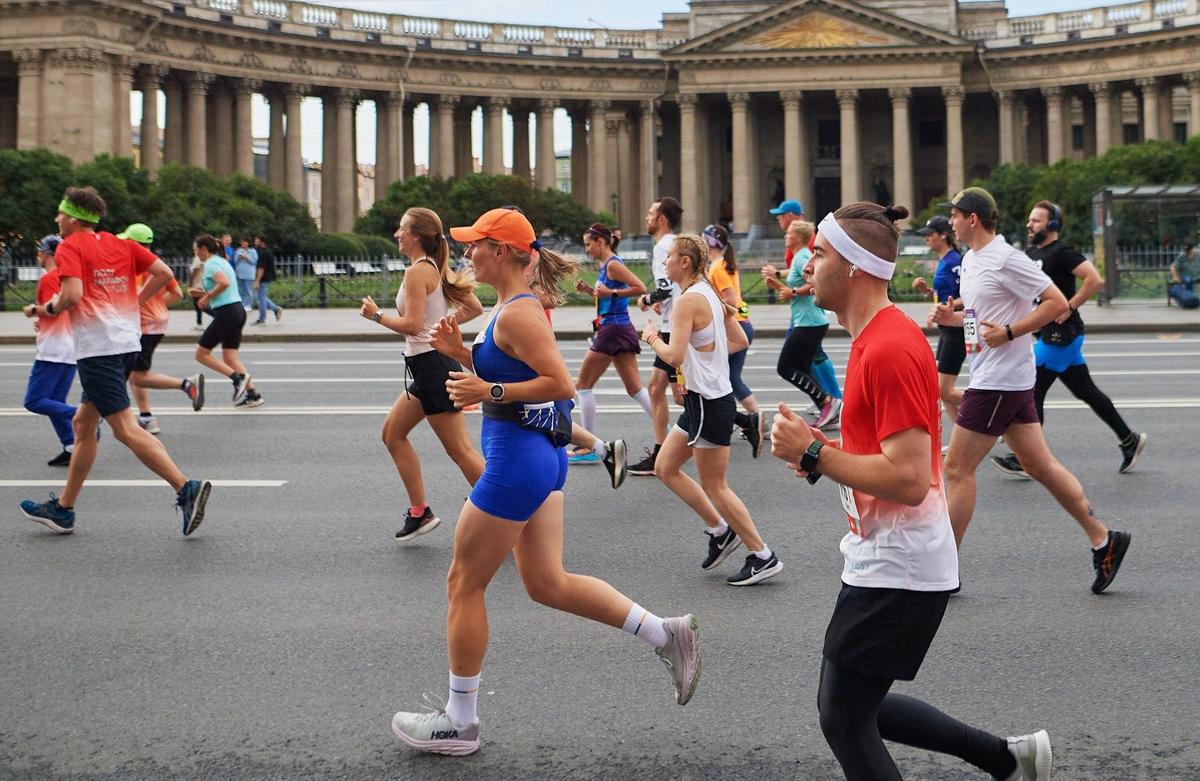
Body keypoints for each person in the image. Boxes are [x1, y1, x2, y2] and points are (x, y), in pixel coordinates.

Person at [389, 208, 700, 756]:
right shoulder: (514, 307)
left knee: (463, 582)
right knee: (546, 583)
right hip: (539, 458)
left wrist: (489, 394)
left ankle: (459, 721)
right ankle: (665, 633)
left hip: (517, 462)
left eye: (477, 244)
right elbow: (512, 369)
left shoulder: (518, 313)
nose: (466, 253)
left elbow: (557, 383)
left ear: (504, 252)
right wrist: (464, 357)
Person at [771, 200, 1052, 781]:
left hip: (899, 564)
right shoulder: (878, 337)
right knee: (853, 709)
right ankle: (1009, 759)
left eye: (818, 255)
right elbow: (887, 459)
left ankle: (1009, 759)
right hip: (887, 556)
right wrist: (822, 462)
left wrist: (815, 451)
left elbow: (905, 477)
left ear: (852, 266)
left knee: (844, 719)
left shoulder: (890, 347)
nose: (806, 267)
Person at [931, 187, 1131, 594]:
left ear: (972, 218)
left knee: (957, 470)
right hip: (1003, 377)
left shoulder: (1007, 259)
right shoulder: (971, 260)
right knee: (1040, 467)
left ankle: (942, 571)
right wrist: (954, 324)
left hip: (999, 382)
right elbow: (976, 318)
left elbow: (1055, 303)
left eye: (953, 216)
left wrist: (1010, 332)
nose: (949, 223)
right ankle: (1103, 538)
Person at [18, 186, 211, 537]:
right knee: (83, 424)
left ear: (73, 218)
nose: (57, 220)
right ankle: (64, 509)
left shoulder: (71, 246)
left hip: (98, 348)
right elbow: (165, 273)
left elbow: (72, 295)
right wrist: (135, 301)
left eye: (59, 215)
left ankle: (186, 488)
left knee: (124, 428)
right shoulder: (120, 244)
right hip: (125, 343)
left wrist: (46, 309)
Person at [642, 234, 782, 586]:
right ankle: (721, 531)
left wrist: (650, 337)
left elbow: (672, 355)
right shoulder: (708, 292)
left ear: (685, 262)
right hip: (703, 400)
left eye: (670, 257)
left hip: (707, 402)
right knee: (665, 467)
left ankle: (762, 555)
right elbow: (739, 340)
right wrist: (702, 358)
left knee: (716, 485)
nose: (666, 262)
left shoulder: (690, 300)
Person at [991, 202, 1147, 477]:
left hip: (1062, 336)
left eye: (1036, 221)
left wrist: (1069, 306)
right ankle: (1129, 440)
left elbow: (1093, 279)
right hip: (1050, 335)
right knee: (1086, 391)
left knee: (1031, 391)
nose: (1030, 225)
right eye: (1030, 220)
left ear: (1052, 225)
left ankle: (1025, 459)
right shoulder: (1030, 253)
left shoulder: (1062, 253)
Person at [359, 207, 486, 541]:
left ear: (416, 235)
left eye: (402, 229)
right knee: (392, 433)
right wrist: (441, 327)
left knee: (460, 450)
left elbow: (413, 324)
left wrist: (376, 316)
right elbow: (473, 308)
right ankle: (420, 512)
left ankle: (507, 509)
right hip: (426, 365)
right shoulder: (434, 267)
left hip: (432, 367)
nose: (397, 234)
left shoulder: (418, 272)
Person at [568, 223, 651, 465]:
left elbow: (640, 288)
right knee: (635, 388)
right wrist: (588, 290)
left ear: (601, 242)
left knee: (583, 385)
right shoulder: (606, 266)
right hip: (617, 327)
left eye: (588, 244)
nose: (587, 249)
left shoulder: (613, 264)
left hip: (613, 328)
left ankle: (588, 445)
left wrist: (611, 294)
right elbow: (604, 295)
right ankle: (667, 432)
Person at [119, 223, 205, 434]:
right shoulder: (157, 264)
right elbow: (177, 293)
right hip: (157, 323)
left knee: (136, 376)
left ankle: (186, 384)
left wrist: (142, 307)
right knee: (134, 373)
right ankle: (146, 417)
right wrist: (157, 307)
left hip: (143, 326)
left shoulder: (136, 265)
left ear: (133, 243)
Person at [763, 221, 843, 429]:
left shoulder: (802, 257)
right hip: (809, 321)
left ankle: (829, 402)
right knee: (802, 367)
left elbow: (815, 282)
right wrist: (777, 283)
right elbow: (793, 291)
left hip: (810, 323)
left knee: (785, 367)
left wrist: (793, 292)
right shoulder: (800, 257)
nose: (785, 236)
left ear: (798, 237)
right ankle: (827, 407)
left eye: (789, 233)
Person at [629, 197, 683, 476]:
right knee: (658, 389)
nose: (647, 218)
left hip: (673, 327)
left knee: (682, 396)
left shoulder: (663, 246)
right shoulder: (672, 243)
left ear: (661, 219)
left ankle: (743, 420)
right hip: (671, 323)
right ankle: (660, 450)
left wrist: (645, 300)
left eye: (651, 214)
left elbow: (664, 289)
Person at [703, 223, 765, 456]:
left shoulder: (718, 267)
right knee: (729, 377)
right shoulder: (722, 265)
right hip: (741, 325)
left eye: (704, 239)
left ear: (710, 243)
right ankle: (752, 419)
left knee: (721, 376)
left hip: (734, 327)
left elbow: (730, 300)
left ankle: (746, 420)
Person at [189, 234, 263, 408]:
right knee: (230, 357)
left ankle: (237, 378)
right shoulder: (222, 261)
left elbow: (223, 283)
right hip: (236, 310)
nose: (195, 253)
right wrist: (201, 294)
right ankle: (253, 394)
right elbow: (224, 286)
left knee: (201, 354)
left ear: (203, 250)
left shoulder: (210, 263)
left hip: (227, 312)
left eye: (196, 250)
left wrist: (206, 298)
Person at [22, 234, 77, 466]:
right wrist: (42, 317)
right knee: (55, 401)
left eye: (40, 251)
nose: (38, 256)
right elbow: (62, 308)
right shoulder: (69, 277)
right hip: (71, 348)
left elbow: (50, 309)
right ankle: (71, 446)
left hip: (53, 348)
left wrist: (33, 311)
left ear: (49, 253)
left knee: (34, 401)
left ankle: (83, 415)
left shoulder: (48, 279)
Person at [910, 215, 965, 427]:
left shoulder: (954, 262)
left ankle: (992, 411)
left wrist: (947, 308)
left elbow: (968, 296)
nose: (926, 239)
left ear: (943, 235)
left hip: (956, 330)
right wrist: (927, 292)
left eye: (930, 235)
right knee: (941, 389)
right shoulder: (945, 261)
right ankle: (964, 438)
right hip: (947, 329)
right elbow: (945, 296)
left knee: (943, 389)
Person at [251, 236, 282, 324]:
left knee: (261, 298)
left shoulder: (262, 253)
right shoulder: (268, 252)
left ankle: (262, 319)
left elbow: (261, 268)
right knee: (260, 297)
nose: (255, 243)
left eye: (257, 241)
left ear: (262, 242)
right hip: (267, 277)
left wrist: (257, 281)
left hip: (263, 278)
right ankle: (275, 309)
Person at [1169, 241, 1199, 308]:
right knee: (1188, 280)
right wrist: (1175, 277)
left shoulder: (1198, 254)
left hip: (1197, 275)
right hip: (1186, 276)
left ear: (1192, 248)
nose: (1187, 252)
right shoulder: (1181, 257)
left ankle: (1192, 299)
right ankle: (1189, 299)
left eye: (1188, 250)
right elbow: (1173, 267)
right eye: (1185, 250)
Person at [233, 237, 258, 310]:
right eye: (242, 242)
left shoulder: (253, 251)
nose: (244, 243)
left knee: (248, 290)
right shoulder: (238, 251)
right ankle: (243, 305)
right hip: (239, 274)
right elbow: (235, 261)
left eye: (245, 242)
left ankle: (249, 305)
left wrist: (247, 257)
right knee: (241, 290)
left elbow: (255, 262)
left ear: (248, 243)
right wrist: (239, 258)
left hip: (249, 274)